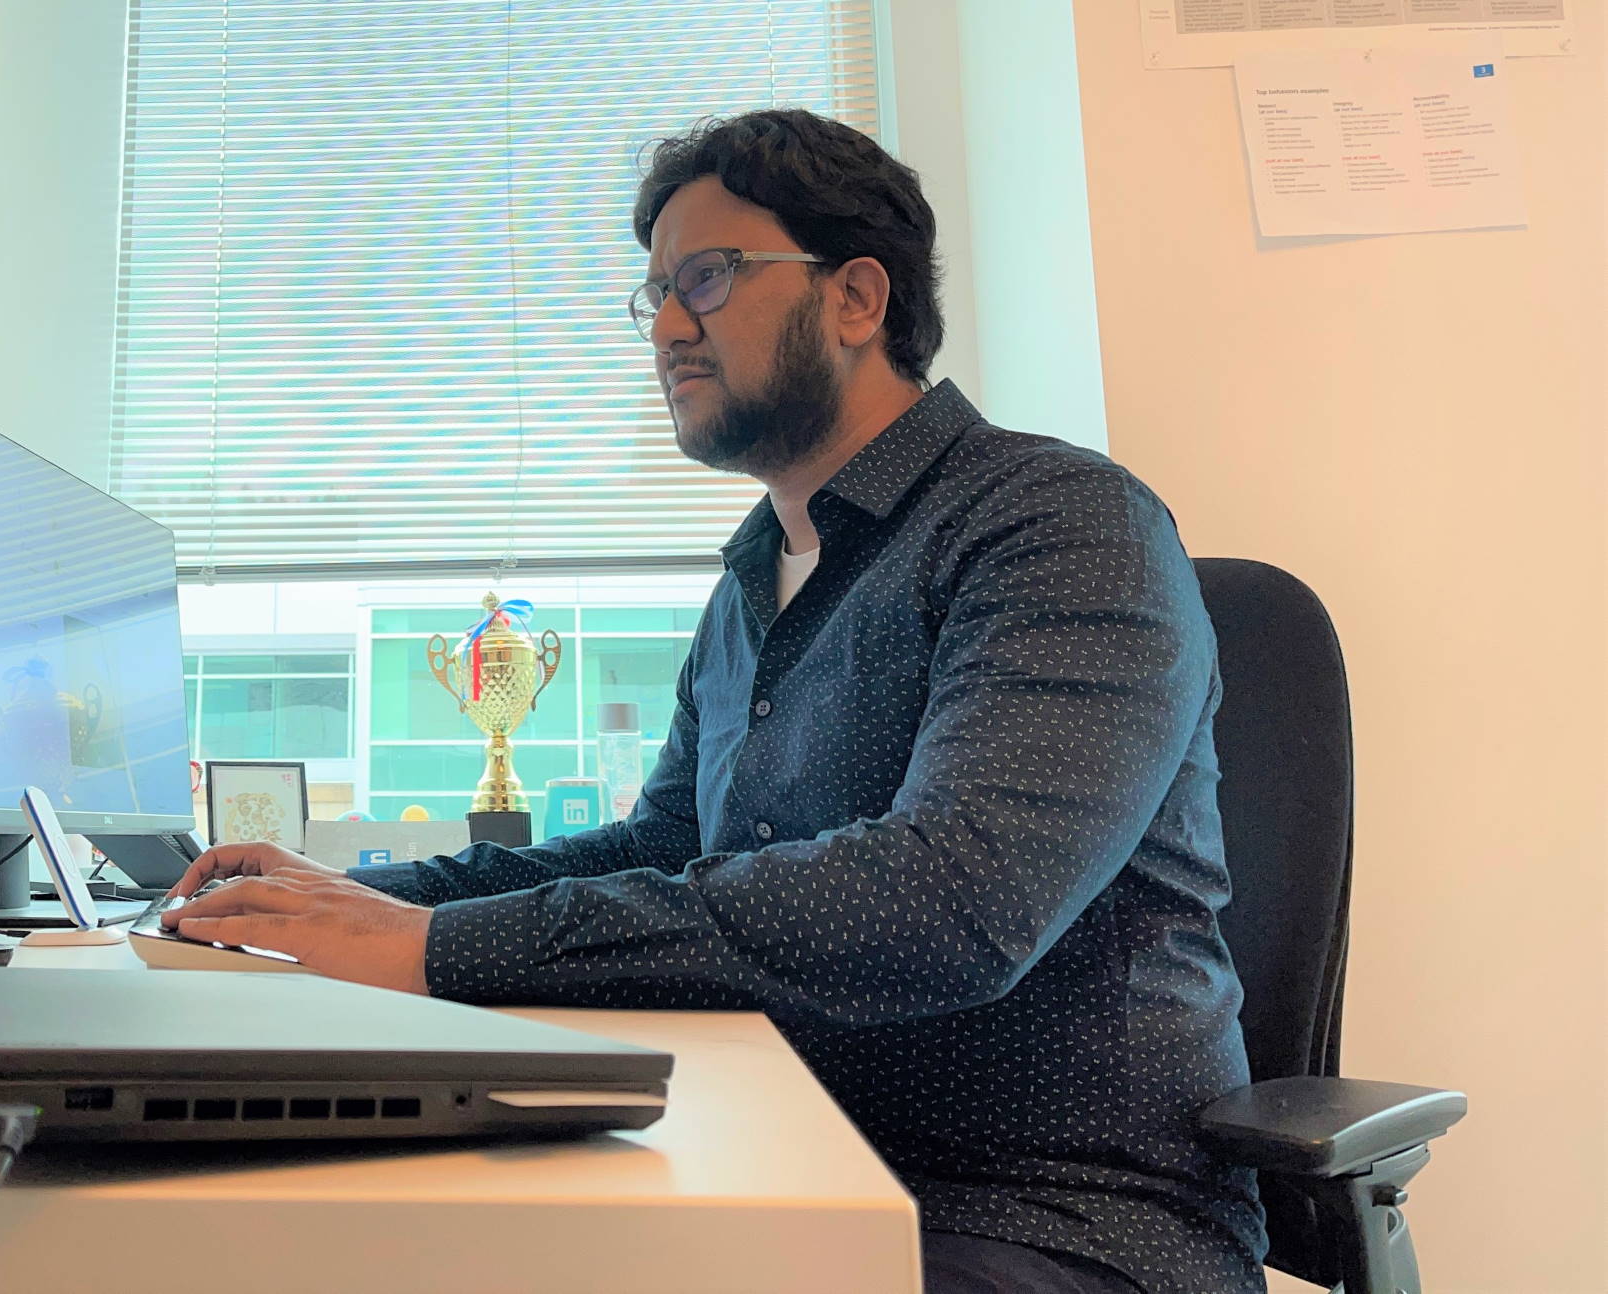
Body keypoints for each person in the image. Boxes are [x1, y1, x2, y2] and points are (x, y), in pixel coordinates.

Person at [161, 108, 1264, 1294]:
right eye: (655, 294)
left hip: (1045, 1216)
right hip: (766, 1151)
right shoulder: (749, 583)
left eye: (709, 277)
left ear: (854, 299)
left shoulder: (1053, 524)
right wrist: (341, 903)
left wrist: (436, 946)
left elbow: (954, 902)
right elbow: (662, 845)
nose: (669, 327)